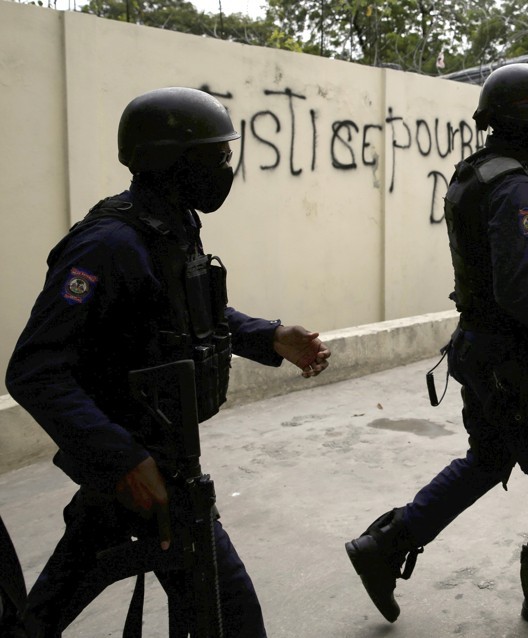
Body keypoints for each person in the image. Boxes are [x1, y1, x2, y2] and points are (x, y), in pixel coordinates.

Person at [5, 87, 331, 637]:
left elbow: (190, 313)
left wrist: (272, 336)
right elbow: (35, 370)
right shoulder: (106, 245)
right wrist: (121, 460)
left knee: (60, 609)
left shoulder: (171, 226)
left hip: (159, 464)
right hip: (141, 472)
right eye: (217, 156)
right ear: (172, 161)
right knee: (233, 617)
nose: (227, 168)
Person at [345, 63, 528, 627]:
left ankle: (385, 546)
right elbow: (514, 287)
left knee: (489, 458)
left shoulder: (477, 172)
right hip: (517, 360)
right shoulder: (516, 184)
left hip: (483, 350)